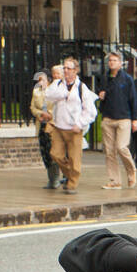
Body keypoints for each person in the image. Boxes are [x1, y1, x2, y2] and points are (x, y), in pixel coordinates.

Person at [44, 56, 97, 195]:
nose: (65, 71)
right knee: (55, 154)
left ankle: (72, 184)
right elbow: (48, 96)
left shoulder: (82, 88)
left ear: (75, 71)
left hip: (74, 129)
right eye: (64, 68)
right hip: (58, 126)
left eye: (68, 68)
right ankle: (70, 174)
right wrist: (62, 92)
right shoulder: (57, 84)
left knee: (75, 158)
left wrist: (80, 124)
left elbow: (91, 111)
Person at [98, 50, 137, 189]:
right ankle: (115, 181)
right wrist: (101, 97)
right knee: (110, 151)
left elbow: (133, 99)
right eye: (110, 60)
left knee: (121, 147)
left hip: (124, 118)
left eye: (114, 60)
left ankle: (131, 172)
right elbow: (101, 96)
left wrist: (135, 119)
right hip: (108, 117)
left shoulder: (127, 79)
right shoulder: (105, 78)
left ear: (121, 63)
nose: (111, 63)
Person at [30, 68, 61, 189]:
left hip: (52, 124)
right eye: (39, 80)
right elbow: (32, 107)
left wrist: (49, 114)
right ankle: (51, 179)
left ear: (48, 80)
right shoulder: (36, 92)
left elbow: (59, 106)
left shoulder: (54, 91)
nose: (40, 82)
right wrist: (39, 114)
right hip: (41, 124)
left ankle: (57, 178)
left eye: (42, 79)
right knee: (45, 153)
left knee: (54, 152)